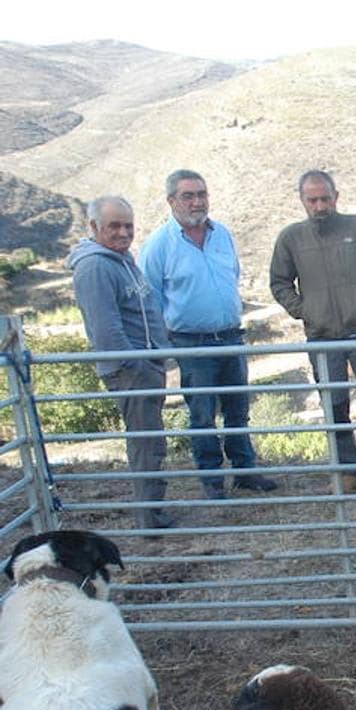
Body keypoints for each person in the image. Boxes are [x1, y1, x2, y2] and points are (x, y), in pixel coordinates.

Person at [140, 169, 278, 500]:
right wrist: (164, 347)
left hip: (230, 336)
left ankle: (245, 471)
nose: (197, 201)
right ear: (171, 200)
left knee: (237, 407)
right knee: (202, 412)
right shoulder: (158, 245)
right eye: (188, 195)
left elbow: (234, 276)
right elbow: (151, 300)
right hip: (191, 342)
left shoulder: (223, 234)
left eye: (202, 194)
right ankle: (212, 480)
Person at [269, 170, 356, 489]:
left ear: (336, 196)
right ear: (302, 200)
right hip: (322, 338)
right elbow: (280, 282)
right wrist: (304, 311)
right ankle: (348, 472)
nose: (319, 205)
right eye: (312, 199)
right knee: (334, 405)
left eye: (325, 198)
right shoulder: (291, 238)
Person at [68, 196, 175, 530]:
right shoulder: (96, 267)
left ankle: (153, 509)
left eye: (128, 225)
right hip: (132, 371)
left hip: (145, 364)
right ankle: (149, 517)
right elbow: (106, 329)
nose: (123, 232)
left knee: (152, 439)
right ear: (94, 227)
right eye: (114, 225)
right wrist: (138, 365)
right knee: (145, 442)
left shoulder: (121, 260)